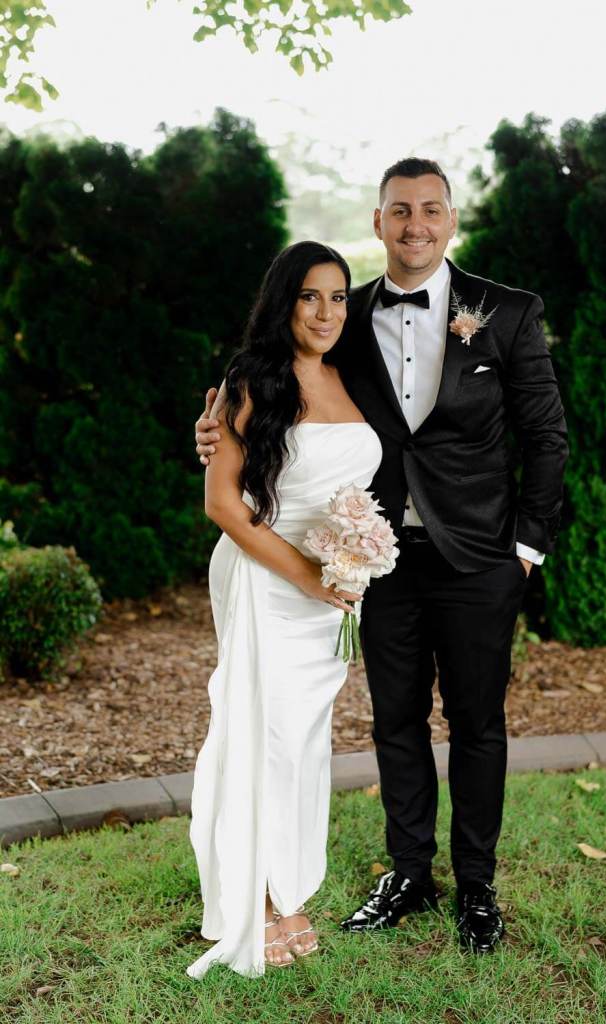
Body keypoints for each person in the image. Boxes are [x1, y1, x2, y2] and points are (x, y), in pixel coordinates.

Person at [196, 158, 569, 955]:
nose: (414, 226)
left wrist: (526, 548)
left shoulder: (505, 312)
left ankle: (475, 884)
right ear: (377, 222)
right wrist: (212, 427)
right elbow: (280, 405)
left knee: (476, 723)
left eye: (429, 210)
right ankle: (407, 873)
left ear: (450, 218)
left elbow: (545, 436)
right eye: (399, 211)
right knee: (393, 721)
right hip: (376, 562)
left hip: (479, 559)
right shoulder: (345, 313)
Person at [185, 241, 383, 979]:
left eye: (337, 297)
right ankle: (253, 898)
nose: (326, 312)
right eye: (309, 296)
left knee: (302, 740)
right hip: (267, 578)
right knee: (255, 733)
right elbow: (223, 503)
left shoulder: (351, 376)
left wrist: (352, 559)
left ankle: (289, 885)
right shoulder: (252, 380)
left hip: (329, 590)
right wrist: (304, 571)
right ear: (283, 301)